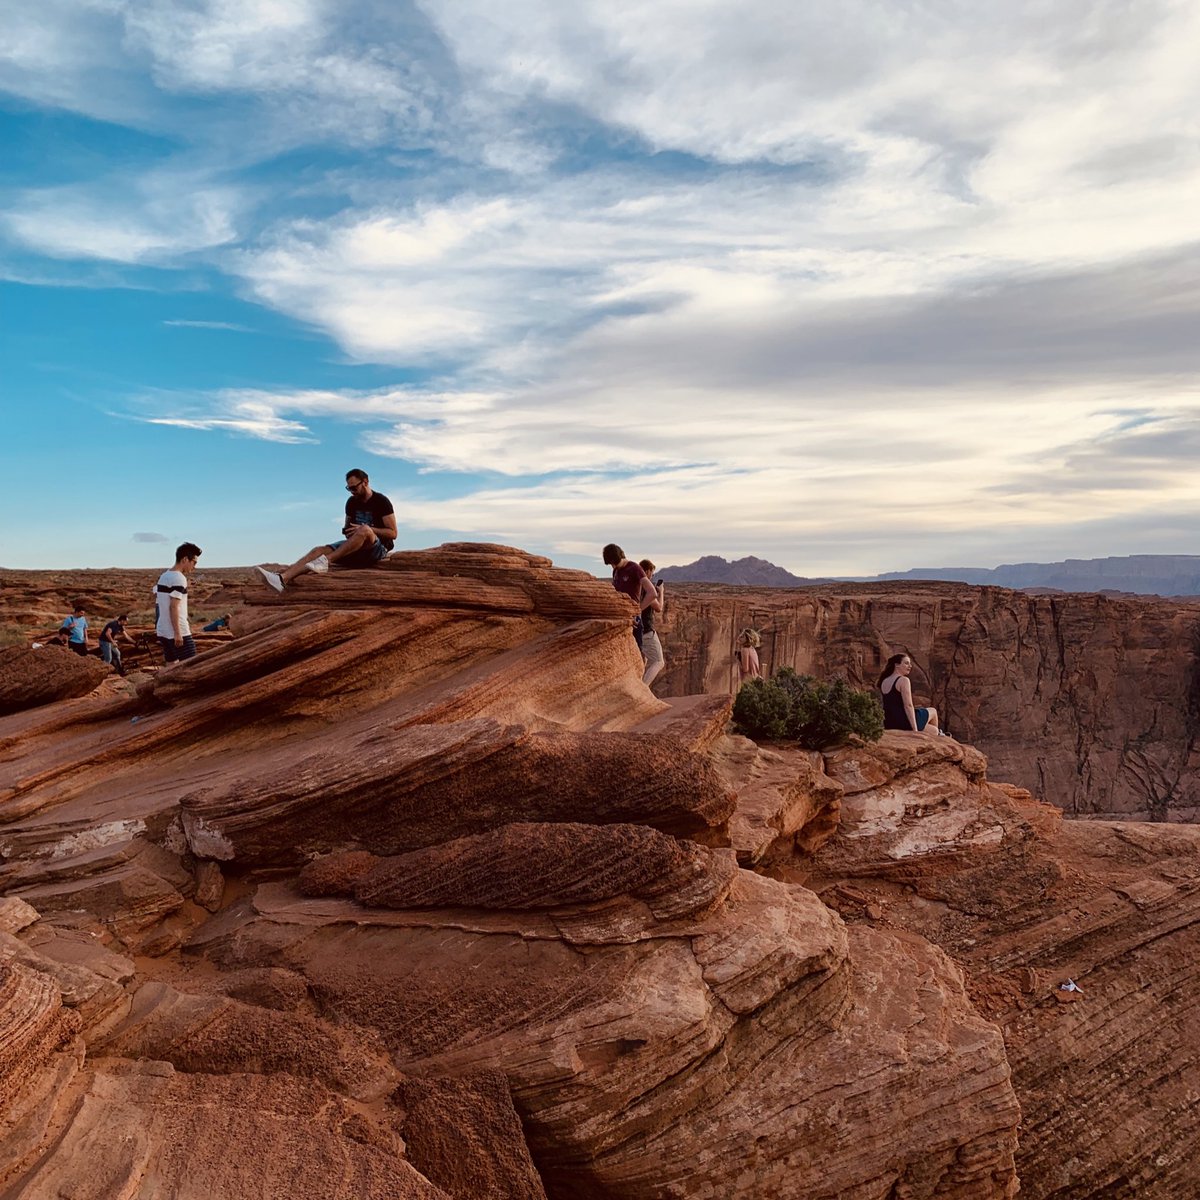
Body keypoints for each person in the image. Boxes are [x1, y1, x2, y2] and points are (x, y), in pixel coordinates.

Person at [257, 469, 397, 592]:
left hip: (377, 548)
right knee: (319, 550)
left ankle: (326, 561)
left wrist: (366, 529)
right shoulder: (351, 502)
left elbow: (393, 533)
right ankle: (282, 579)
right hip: (356, 545)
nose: (352, 492)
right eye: (348, 489)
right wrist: (348, 530)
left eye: (354, 488)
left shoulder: (381, 501)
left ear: (365, 482)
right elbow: (347, 527)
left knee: (365, 530)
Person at [602, 544, 657, 653]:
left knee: (635, 657)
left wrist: (637, 611)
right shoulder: (616, 571)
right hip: (621, 619)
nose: (613, 566)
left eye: (614, 563)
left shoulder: (635, 568)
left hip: (634, 622)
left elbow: (652, 593)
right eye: (610, 564)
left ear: (618, 557)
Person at [156, 542, 203, 663]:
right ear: (185, 559)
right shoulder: (179, 578)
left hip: (163, 630)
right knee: (192, 666)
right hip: (177, 631)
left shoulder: (165, 575)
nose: (195, 566)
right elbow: (173, 607)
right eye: (194, 562)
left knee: (171, 666)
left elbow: (164, 599)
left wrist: (186, 587)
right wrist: (178, 633)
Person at [877, 652, 942, 735]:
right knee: (933, 711)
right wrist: (915, 730)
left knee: (934, 731)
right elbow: (908, 705)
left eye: (910, 664)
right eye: (906, 663)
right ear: (897, 665)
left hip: (890, 722)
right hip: (904, 721)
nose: (910, 666)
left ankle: (939, 733)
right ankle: (939, 736)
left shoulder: (884, 681)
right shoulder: (903, 680)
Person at [637, 558, 666, 686]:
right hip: (646, 631)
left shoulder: (635, 587)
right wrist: (661, 592)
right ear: (647, 571)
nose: (652, 576)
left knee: (643, 661)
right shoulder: (647, 590)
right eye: (652, 573)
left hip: (636, 631)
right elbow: (658, 607)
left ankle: (638, 686)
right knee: (659, 662)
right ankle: (643, 689)